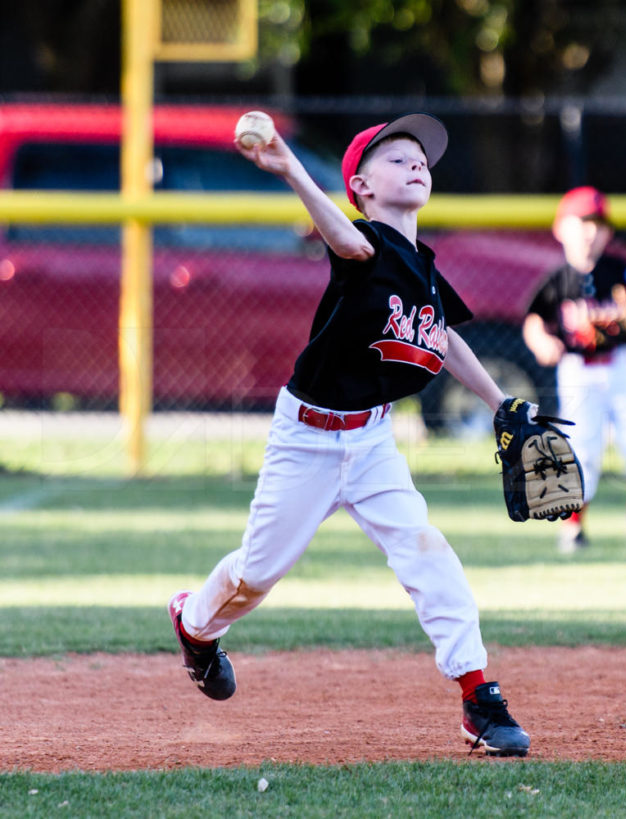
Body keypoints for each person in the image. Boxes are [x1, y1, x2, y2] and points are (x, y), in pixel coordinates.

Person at [167, 113, 530, 757]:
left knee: (428, 555)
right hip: (306, 438)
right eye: (396, 158)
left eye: (421, 158)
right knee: (256, 575)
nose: (416, 163)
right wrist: (288, 169)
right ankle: (195, 624)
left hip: (373, 445)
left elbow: (443, 336)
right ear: (361, 186)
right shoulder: (363, 242)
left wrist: (503, 402)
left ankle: (479, 695)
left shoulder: (422, 266)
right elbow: (347, 242)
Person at [523, 186, 626, 554]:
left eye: (598, 224)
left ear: (608, 233)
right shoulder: (557, 279)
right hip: (577, 370)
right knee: (581, 446)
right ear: (560, 229)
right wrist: (542, 343)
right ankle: (573, 526)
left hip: (619, 365)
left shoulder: (620, 272)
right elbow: (534, 322)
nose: (590, 231)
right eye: (581, 222)